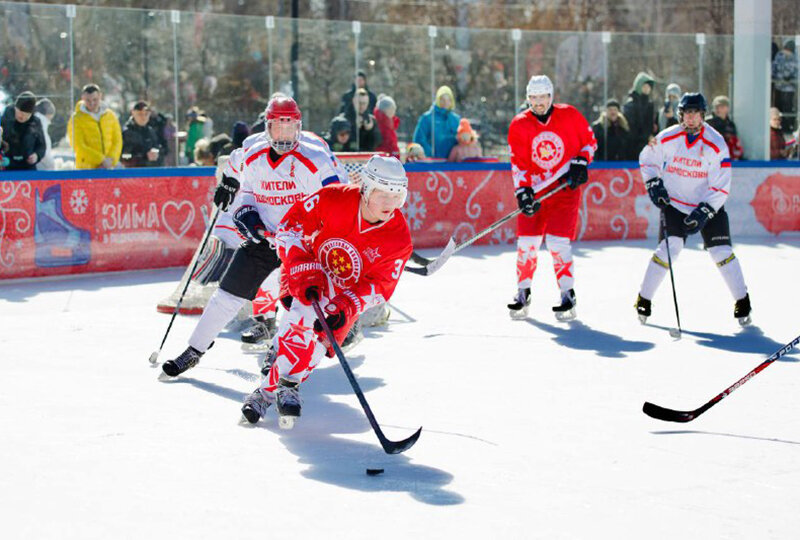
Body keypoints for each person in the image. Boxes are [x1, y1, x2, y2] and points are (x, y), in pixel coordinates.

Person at [160, 96, 343, 378]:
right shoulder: (251, 151)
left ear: (299, 126)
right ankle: (194, 350)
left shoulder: (315, 158)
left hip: (303, 245)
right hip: (265, 239)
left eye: (290, 126)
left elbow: (338, 196)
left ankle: (280, 353)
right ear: (267, 127)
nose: (284, 134)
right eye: (278, 127)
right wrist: (237, 197)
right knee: (226, 294)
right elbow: (238, 175)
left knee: (299, 306)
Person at [239, 155, 412, 427]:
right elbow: (289, 228)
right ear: (366, 188)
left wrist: (348, 305)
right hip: (310, 273)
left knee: (316, 349)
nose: (390, 204)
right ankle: (267, 394)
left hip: (344, 295)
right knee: (300, 325)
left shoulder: (399, 239)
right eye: (382, 195)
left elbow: (380, 286)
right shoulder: (334, 198)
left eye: (397, 196)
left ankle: (276, 388)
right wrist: (301, 265)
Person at [635, 93, 751, 326]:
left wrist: (705, 211)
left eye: (695, 113)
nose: (691, 118)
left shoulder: (716, 143)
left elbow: (722, 183)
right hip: (675, 203)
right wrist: (653, 182)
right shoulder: (667, 136)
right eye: (687, 113)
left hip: (708, 205)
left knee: (721, 252)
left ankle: (742, 300)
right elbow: (647, 157)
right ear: (680, 115)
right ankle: (644, 298)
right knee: (670, 248)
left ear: (702, 115)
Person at [506, 75, 597, 321]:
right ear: (528, 98)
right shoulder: (519, 124)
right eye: (533, 98)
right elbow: (519, 163)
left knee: (558, 243)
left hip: (563, 191)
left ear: (551, 96)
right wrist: (522, 191)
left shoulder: (569, 115)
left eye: (542, 97)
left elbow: (590, 142)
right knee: (527, 244)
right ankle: (523, 292)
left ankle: (567, 294)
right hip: (536, 193)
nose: (538, 103)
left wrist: (580, 162)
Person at [67, 84, 122, 169]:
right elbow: (78, 146)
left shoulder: (110, 116)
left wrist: (111, 159)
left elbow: (117, 140)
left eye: (95, 99)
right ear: (82, 98)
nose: (91, 103)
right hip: (87, 168)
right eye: (88, 100)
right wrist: (101, 160)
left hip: (109, 167)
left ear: (100, 96)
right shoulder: (76, 119)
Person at [0, 91, 46, 170]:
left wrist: (36, 155)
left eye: (27, 115)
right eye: (20, 113)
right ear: (15, 108)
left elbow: (41, 145)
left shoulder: (35, 122)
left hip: (28, 168)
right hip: (6, 166)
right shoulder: (5, 119)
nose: (22, 117)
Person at [413, 85, 460, 159]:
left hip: (452, 163)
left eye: (449, 100)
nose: (445, 102)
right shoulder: (427, 118)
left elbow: (462, 139)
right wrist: (429, 153)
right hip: (433, 162)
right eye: (442, 99)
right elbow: (419, 138)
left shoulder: (456, 119)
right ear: (437, 100)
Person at [623, 72, 656, 158]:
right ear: (638, 86)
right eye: (644, 86)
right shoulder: (631, 104)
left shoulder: (649, 104)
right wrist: (645, 137)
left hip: (647, 145)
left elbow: (650, 124)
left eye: (649, 87)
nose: (647, 89)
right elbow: (632, 126)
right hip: (633, 146)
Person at [121, 101, 162, 168]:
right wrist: (144, 156)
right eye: (139, 114)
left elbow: (159, 149)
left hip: (150, 172)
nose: (143, 117)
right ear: (133, 113)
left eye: (146, 114)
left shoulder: (151, 132)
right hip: (132, 173)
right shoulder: (126, 132)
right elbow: (124, 157)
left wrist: (156, 154)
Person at [706, 95, 744, 160]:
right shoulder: (708, 123)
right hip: (711, 157)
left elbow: (734, 142)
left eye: (722, 107)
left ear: (727, 108)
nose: (718, 109)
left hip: (727, 157)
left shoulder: (730, 124)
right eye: (716, 107)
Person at [772, 40, 798, 132]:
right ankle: (778, 126)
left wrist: (791, 78)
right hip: (779, 86)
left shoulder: (795, 58)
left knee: (788, 107)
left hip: (789, 88)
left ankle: (788, 126)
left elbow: (797, 71)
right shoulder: (779, 56)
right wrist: (774, 77)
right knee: (778, 107)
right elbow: (774, 67)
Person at [34, 98, 56, 170]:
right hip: (41, 169)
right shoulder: (41, 124)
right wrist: (51, 165)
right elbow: (43, 150)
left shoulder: (35, 123)